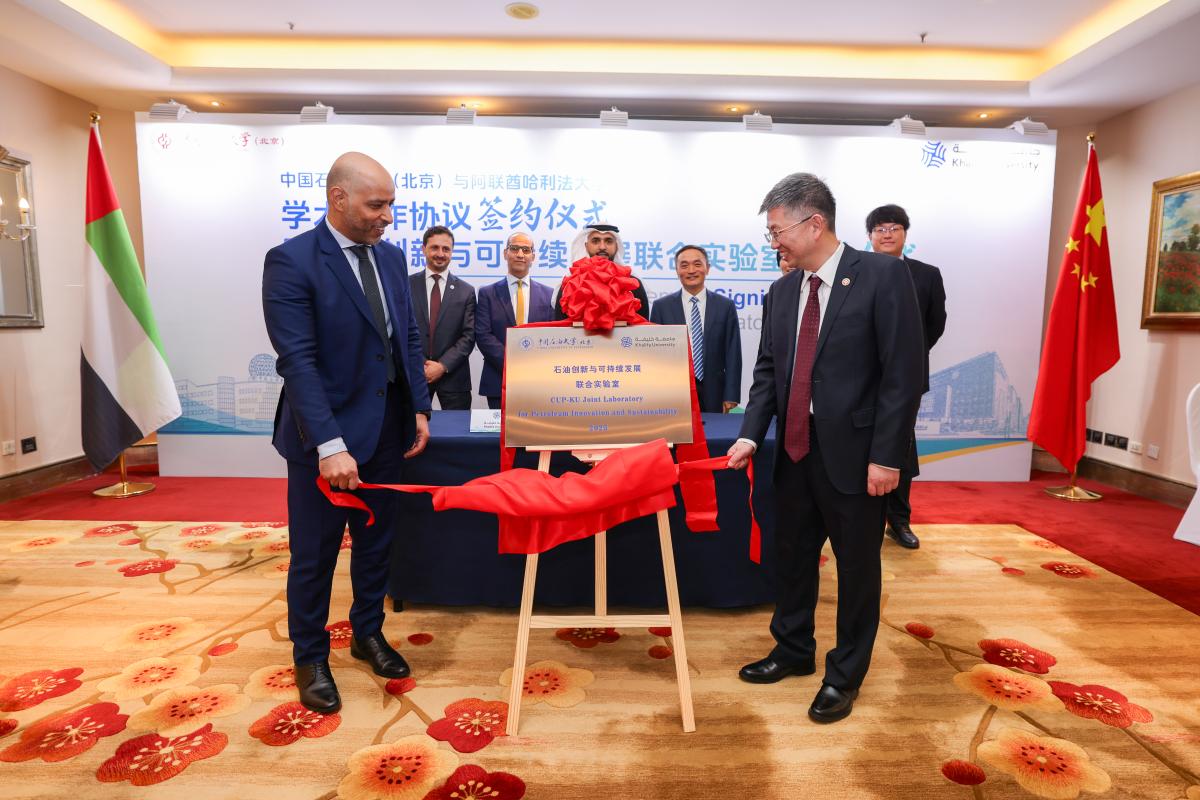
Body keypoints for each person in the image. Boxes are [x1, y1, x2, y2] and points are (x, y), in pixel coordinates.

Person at [726, 173, 923, 723]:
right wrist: (750, 433)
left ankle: (844, 675)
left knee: (857, 568)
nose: (774, 242)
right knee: (791, 557)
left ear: (814, 223)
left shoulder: (882, 275)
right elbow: (768, 371)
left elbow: (903, 375)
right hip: (793, 448)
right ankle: (793, 650)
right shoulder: (782, 290)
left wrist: (887, 457)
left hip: (859, 456)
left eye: (777, 231)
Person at [262, 151, 431, 715]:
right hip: (324, 441)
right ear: (338, 198)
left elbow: (407, 337)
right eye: (376, 204)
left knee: (376, 544)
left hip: (387, 430)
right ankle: (310, 655)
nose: (387, 216)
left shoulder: (391, 258)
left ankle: (367, 633)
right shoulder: (291, 261)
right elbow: (298, 361)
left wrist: (419, 408)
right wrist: (329, 445)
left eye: (391, 204)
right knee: (315, 555)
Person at [866, 205, 947, 549]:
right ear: (870, 236)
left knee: (899, 447)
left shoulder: (926, 275)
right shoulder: (855, 272)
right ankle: (863, 521)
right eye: (880, 229)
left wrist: (905, 358)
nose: (887, 234)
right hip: (859, 378)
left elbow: (935, 324)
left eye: (894, 228)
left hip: (904, 382)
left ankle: (898, 520)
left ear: (905, 234)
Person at [649, 245, 742, 413]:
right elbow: (654, 356)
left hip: (715, 391)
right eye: (684, 265)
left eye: (697, 264)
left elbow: (733, 352)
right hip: (673, 391)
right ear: (677, 271)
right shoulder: (661, 307)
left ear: (708, 268)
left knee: (714, 430)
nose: (691, 270)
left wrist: (731, 394)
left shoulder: (725, 306)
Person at [475, 231, 554, 409]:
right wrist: (512, 363)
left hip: (538, 381)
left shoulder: (548, 295)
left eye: (526, 250)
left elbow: (551, 336)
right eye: (514, 248)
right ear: (505, 253)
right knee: (499, 428)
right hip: (498, 379)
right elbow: (483, 335)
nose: (520, 254)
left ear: (533, 256)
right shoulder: (487, 293)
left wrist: (532, 365)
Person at [410, 226, 476, 410]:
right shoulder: (406, 285)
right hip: (415, 375)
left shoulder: (466, 291)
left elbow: (469, 336)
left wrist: (442, 366)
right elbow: (400, 330)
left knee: (458, 428)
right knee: (412, 428)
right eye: (434, 248)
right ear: (423, 249)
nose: (440, 254)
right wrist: (421, 364)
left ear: (452, 252)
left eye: (446, 249)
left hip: (454, 378)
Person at [552, 223, 649, 319]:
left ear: (617, 247)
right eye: (595, 241)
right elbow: (560, 326)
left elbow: (644, 326)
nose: (602, 247)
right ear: (586, 246)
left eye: (609, 241)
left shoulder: (631, 284)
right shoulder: (570, 284)